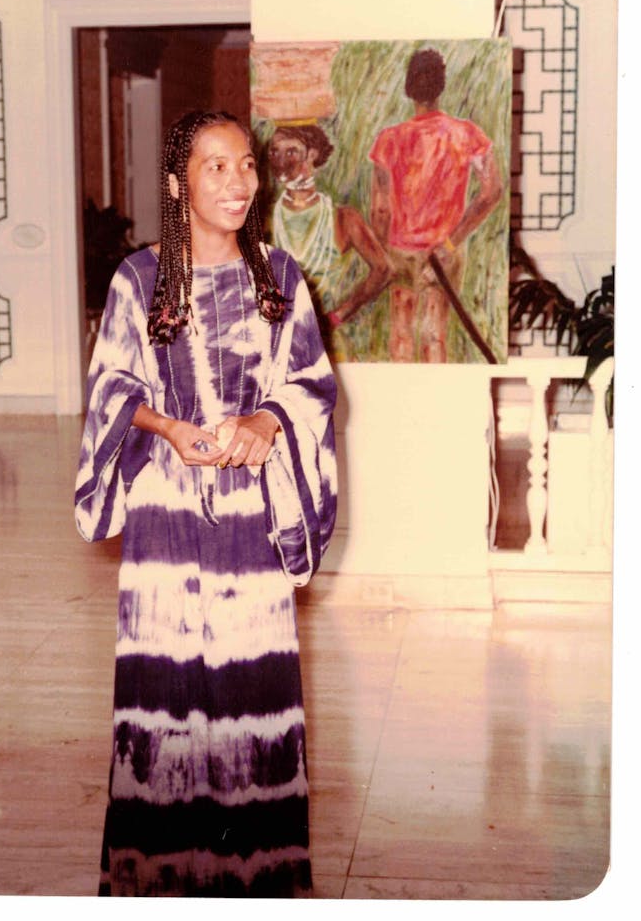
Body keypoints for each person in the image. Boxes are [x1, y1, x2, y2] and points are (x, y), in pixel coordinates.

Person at [74, 110, 337, 897]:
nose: (238, 182)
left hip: (252, 521)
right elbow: (111, 388)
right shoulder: (138, 278)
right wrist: (167, 427)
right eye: (216, 167)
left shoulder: (281, 278)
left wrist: (266, 420)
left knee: (252, 691)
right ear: (177, 182)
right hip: (163, 513)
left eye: (247, 165)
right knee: (167, 689)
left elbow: (313, 386)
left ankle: (256, 879)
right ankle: (157, 882)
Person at [369, 48, 503, 362]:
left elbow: (380, 210)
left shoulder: (389, 139)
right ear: (441, 85)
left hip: (399, 251)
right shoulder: (468, 134)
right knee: (435, 337)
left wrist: (382, 251)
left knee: (401, 336)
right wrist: (450, 243)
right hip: (444, 252)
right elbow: (491, 192)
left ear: (408, 87)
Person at [268, 124, 394, 333]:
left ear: (312, 155)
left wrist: (337, 316)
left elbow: (384, 269)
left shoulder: (344, 219)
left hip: (327, 340)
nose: (280, 160)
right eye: (274, 151)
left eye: (291, 151)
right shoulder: (267, 218)